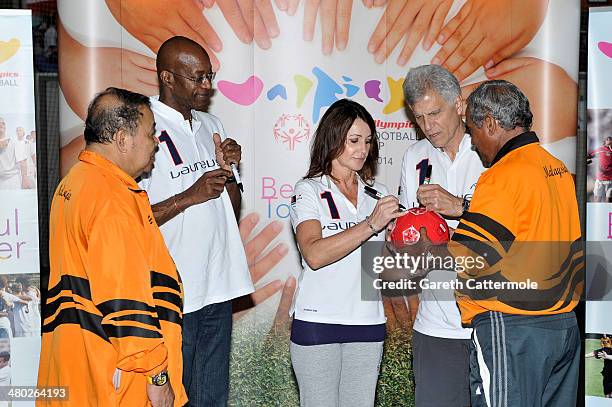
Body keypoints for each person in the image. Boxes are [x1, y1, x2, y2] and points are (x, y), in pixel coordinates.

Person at [419, 80, 581, 406]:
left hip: (511, 327)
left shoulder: (501, 175)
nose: (473, 143)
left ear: (491, 124)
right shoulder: (557, 168)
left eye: (472, 130)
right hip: (562, 325)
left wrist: (427, 247)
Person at [38, 87, 187, 407]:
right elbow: (125, 300)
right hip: (116, 374)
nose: (155, 142)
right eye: (150, 133)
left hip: (80, 364)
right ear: (123, 139)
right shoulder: (112, 198)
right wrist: (158, 376)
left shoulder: (74, 182)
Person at [139, 36, 254, 406]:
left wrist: (229, 170)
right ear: (167, 78)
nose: (207, 86)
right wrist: (190, 195)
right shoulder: (142, 127)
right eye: (197, 78)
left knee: (211, 396)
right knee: (172, 397)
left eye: (210, 76)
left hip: (217, 286)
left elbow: (230, 206)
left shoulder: (211, 123)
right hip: (171, 293)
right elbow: (129, 217)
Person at [289, 98, 402, 407]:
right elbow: (314, 254)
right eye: (353, 140)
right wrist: (371, 224)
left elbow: (379, 268)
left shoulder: (375, 194)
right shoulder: (309, 189)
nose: (362, 149)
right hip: (318, 320)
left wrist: (397, 240)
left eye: (367, 141)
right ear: (332, 138)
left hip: (367, 321)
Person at [398, 64, 485, 407]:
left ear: (460, 105)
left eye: (435, 113)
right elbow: (404, 234)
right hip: (435, 324)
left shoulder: (490, 151)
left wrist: (460, 206)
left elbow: (514, 231)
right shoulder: (415, 156)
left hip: (489, 320)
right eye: (419, 117)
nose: (428, 126)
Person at [0, 118, 29, 190]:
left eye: (3, 123)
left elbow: (22, 161)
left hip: (12, 180)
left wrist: (25, 179)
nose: (1, 125)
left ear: (5, 127)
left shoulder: (14, 142)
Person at [588, 136, 612, 202]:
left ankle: (607, 212)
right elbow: (589, 155)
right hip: (600, 179)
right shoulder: (600, 150)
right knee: (597, 198)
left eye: (610, 140)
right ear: (604, 142)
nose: (609, 141)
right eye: (608, 140)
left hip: (610, 180)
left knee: (609, 199)